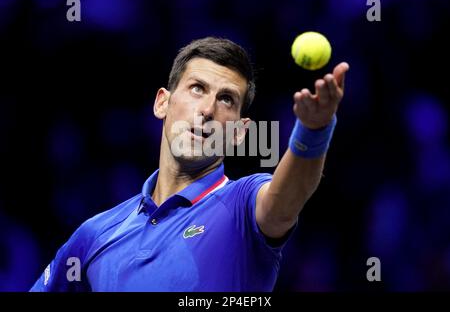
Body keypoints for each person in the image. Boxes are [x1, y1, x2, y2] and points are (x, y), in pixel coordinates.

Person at [30, 37, 349, 292]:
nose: (208, 109)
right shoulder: (95, 234)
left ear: (239, 133)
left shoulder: (242, 204)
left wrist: (314, 129)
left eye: (227, 99)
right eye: (197, 88)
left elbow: (285, 200)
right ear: (162, 103)